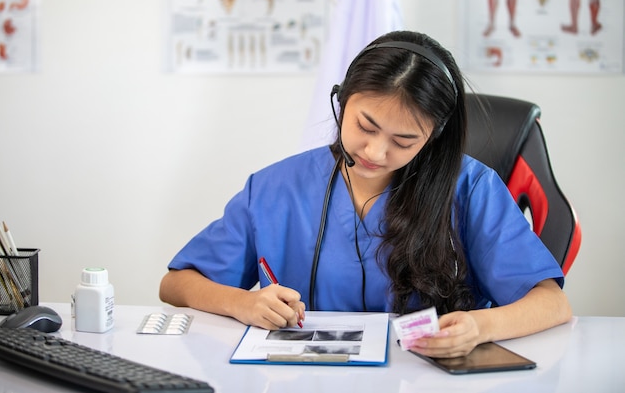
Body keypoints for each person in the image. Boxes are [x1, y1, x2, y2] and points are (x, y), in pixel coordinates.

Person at [159, 30, 571, 358]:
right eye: (366, 126)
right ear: (342, 102)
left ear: (433, 135)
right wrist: (242, 303)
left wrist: (481, 327)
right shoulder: (274, 188)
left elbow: (552, 304)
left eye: (404, 140)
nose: (376, 152)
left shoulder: (471, 187)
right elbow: (176, 284)